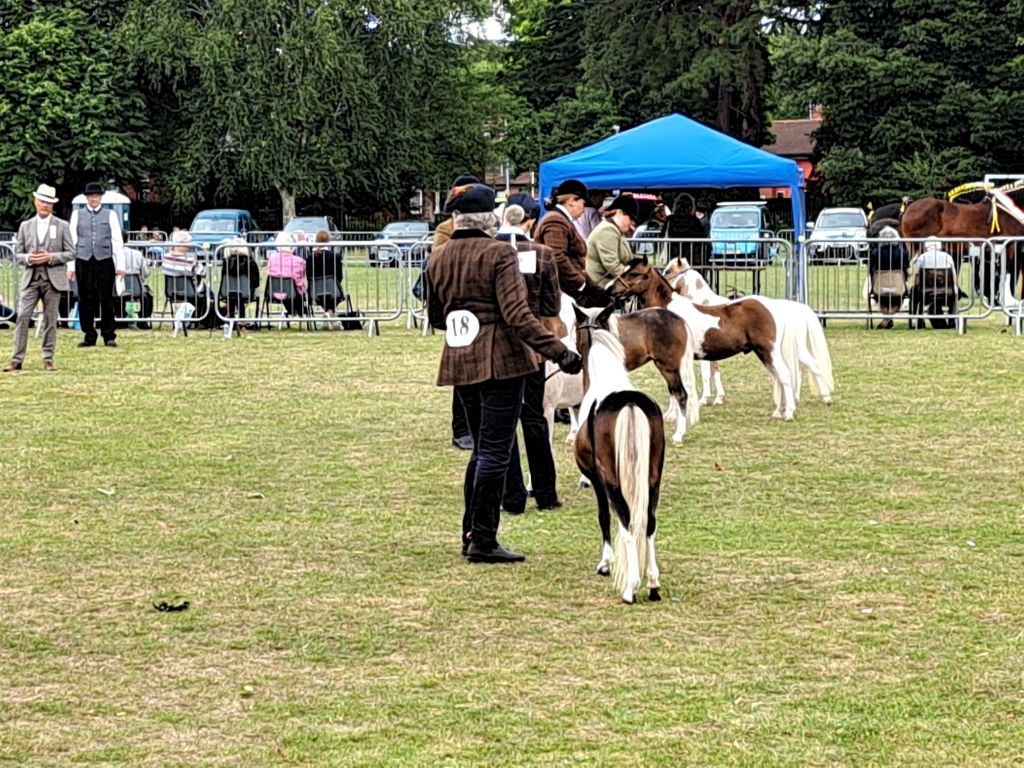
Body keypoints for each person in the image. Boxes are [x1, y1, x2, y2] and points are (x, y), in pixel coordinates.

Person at [425, 183, 582, 563]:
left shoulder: (438, 257)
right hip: (501, 361)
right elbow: (518, 316)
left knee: (481, 451)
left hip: (460, 358)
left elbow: (437, 317)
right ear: (489, 219)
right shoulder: (499, 253)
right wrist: (560, 352)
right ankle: (482, 539)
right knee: (495, 452)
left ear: (456, 218)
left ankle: (471, 532)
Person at [495, 203, 565, 512]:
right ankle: (546, 493)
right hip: (534, 346)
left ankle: (512, 494)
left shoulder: (489, 251)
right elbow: (552, 306)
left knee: (503, 421)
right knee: (534, 417)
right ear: (529, 222)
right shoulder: (543, 254)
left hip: (498, 347)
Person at [4, 184, 75, 372]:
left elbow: (71, 252)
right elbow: (17, 254)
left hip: (53, 280)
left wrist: (51, 257)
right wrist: (29, 258)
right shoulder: (25, 226)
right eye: (42, 201)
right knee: (22, 317)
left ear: (53, 205)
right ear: (35, 201)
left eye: (48, 202)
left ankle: (48, 359)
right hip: (31, 278)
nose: (45, 205)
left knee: (50, 320)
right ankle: (17, 359)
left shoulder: (62, 226)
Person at [434, 173, 481, 451]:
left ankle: (477, 425)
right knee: (462, 371)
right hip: (459, 306)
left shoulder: (486, 226)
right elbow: (439, 261)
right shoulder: (445, 229)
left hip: (482, 304)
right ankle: (461, 428)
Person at [69, 181, 122, 348]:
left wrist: (120, 265)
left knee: (106, 299)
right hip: (83, 260)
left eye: (96, 196)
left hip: (104, 260)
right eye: (91, 196)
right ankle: (89, 335)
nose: (93, 199)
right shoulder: (77, 214)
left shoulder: (110, 214)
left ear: (101, 197)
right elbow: (72, 241)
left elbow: (117, 241)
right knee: (85, 299)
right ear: (86, 198)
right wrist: (70, 266)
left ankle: (108, 335)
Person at [585, 194, 641, 287]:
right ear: (619, 212)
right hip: (602, 287)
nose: (633, 227)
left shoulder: (616, 231)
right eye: (631, 219)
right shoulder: (607, 230)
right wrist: (635, 277)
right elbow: (612, 265)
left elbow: (628, 257)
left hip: (611, 285)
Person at [266, 231, 308, 316]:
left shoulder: (272, 258)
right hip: (293, 293)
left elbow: (268, 272)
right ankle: (297, 311)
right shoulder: (298, 261)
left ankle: (292, 311)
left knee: (289, 289)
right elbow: (300, 279)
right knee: (296, 289)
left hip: (273, 292)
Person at [219, 236, 261, 322]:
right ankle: (241, 319)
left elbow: (223, 280)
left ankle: (231, 317)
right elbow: (256, 282)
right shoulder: (251, 262)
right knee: (239, 294)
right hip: (246, 292)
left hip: (227, 292)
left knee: (232, 294)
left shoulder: (226, 262)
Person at [306, 229, 346, 319]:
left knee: (325, 295)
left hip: (314, 291)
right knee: (332, 294)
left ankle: (328, 312)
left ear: (316, 240)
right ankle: (330, 313)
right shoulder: (335, 257)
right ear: (328, 241)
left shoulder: (310, 258)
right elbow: (339, 276)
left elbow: (309, 277)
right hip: (334, 290)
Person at [113, 244, 154, 328]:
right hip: (136, 288)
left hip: (118, 288)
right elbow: (146, 273)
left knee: (114, 296)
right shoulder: (138, 254)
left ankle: (120, 318)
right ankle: (143, 320)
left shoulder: (112, 254)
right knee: (147, 296)